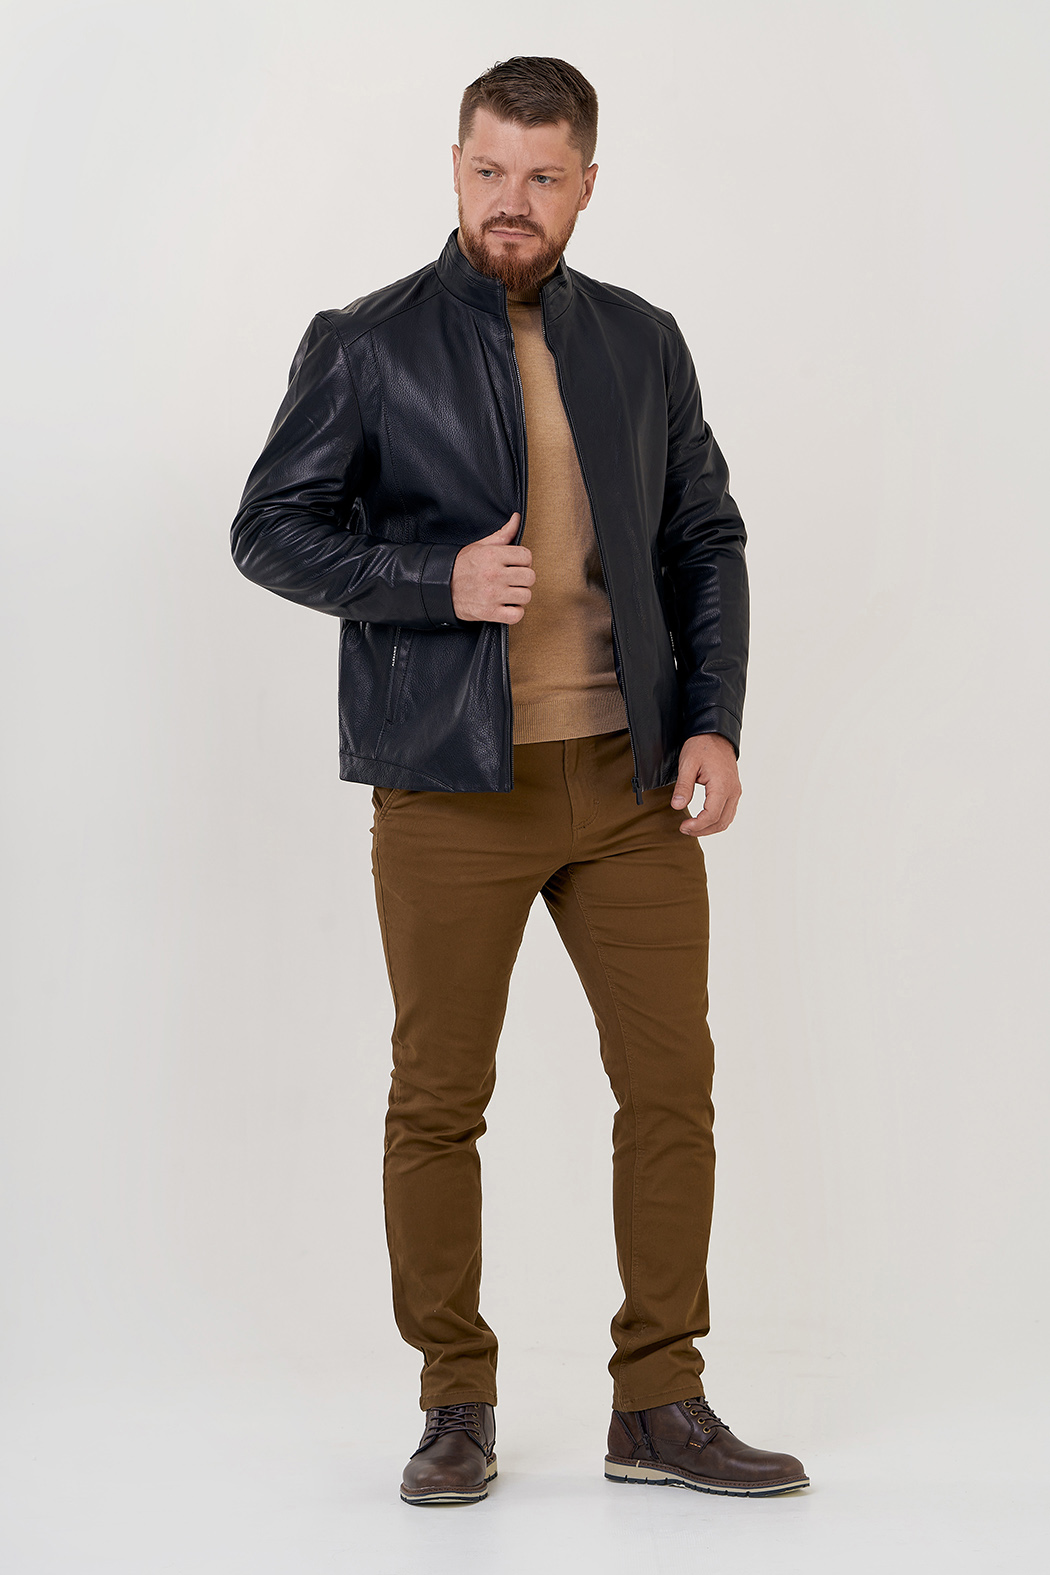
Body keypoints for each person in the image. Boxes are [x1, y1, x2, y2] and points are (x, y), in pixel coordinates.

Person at [231, 54, 808, 1507]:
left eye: (543, 177)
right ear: (454, 167)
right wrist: (434, 580)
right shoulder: (367, 342)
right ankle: (454, 1402)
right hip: (449, 787)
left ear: (585, 186)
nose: (513, 199)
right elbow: (269, 528)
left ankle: (657, 1401)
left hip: (627, 782)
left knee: (670, 1088)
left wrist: (713, 721)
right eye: (490, 170)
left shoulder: (642, 340)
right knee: (439, 1097)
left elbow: (704, 536)